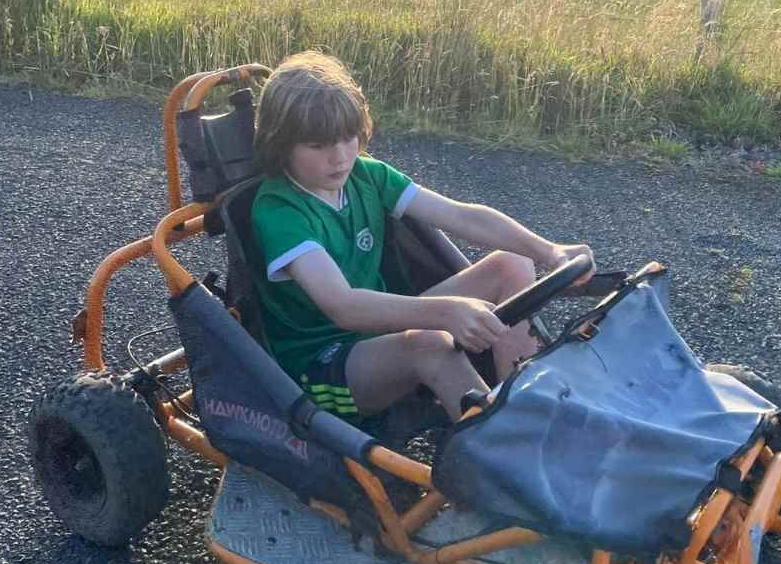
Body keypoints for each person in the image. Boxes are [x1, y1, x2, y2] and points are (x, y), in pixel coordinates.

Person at [251, 51, 594, 422]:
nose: (340, 157)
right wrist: (446, 312)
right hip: (324, 364)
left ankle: (527, 405)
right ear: (280, 144)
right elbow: (343, 306)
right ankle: (504, 441)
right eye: (318, 145)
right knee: (430, 344)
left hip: (379, 329)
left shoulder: (365, 175)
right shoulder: (279, 210)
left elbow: (463, 216)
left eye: (348, 137)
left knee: (512, 264)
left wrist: (549, 251)